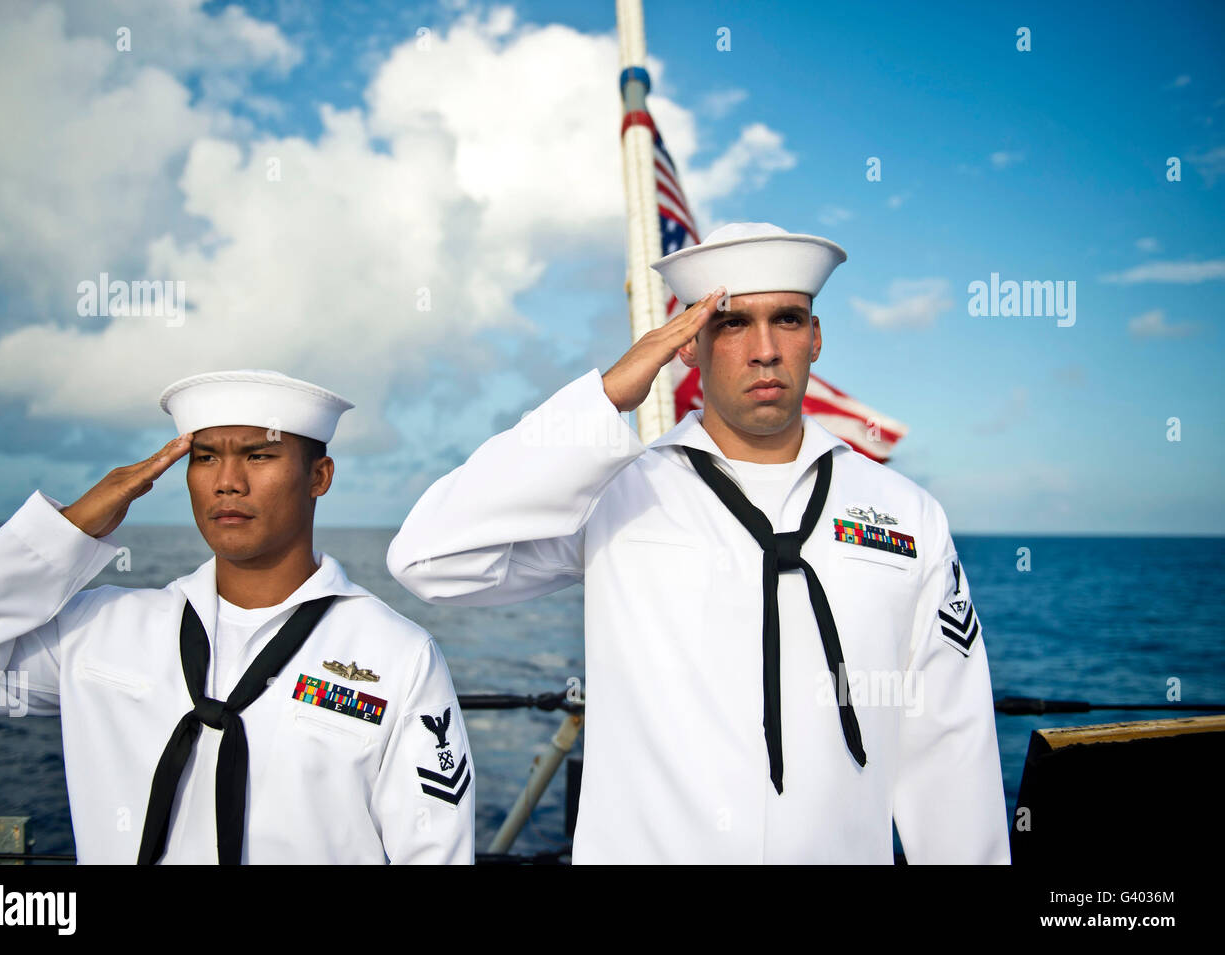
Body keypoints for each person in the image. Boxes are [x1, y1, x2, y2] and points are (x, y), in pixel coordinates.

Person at [388, 223, 1009, 864]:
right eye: (733, 324)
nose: (765, 350)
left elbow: (949, 741)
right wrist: (606, 399)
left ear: (816, 338)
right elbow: (428, 560)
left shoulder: (907, 515)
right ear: (686, 344)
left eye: (788, 320)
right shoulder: (615, 495)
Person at [0, 369, 473, 864]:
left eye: (259, 456)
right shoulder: (101, 630)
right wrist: (64, 533)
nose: (227, 481)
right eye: (206, 457)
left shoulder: (395, 656)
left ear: (319, 476)